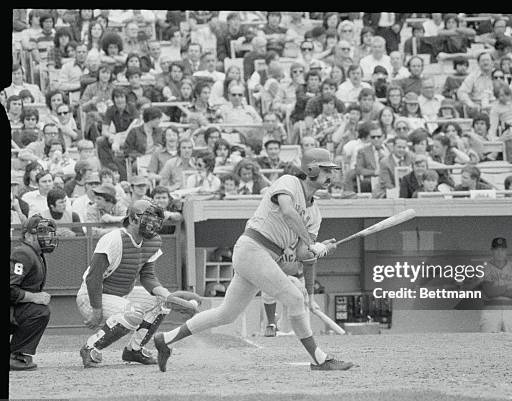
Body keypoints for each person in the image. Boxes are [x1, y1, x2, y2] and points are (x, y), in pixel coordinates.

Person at [153, 148, 353, 371]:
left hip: (265, 256)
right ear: (311, 169)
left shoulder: (315, 213)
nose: (330, 175)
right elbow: (287, 212)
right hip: (253, 248)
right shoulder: (289, 182)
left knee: (226, 313)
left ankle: (166, 339)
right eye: (326, 170)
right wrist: (310, 241)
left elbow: (301, 254)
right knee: (296, 298)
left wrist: (320, 250)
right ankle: (319, 359)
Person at [77, 200, 191, 367]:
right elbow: (93, 277)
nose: (152, 225)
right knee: (134, 313)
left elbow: (147, 276)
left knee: (161, 302)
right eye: (148, 219)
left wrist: (169, 296)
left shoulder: (153, 241)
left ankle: (134, 350)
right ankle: (90, 347)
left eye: (155, 221)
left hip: (121, 294)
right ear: (132, 219)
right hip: (91, 295)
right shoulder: (113, 239)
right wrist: (96, 310)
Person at [10, 215, 58, 370]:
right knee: (39, 311)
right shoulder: (23, 253)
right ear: (28, 235)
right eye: (42, 232)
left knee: (39, 310)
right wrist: (34, 297)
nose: (48, 237)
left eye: (49, 233)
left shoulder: (35, 253)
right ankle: (15, 355)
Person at [475, 237, 512, 332]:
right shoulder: (485, 268)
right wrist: (508, 287)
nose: (499, 253)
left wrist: (498, 290)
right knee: (488, 344)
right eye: (496, 249)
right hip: (490, 312)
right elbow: (489, 292)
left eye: (502, 250)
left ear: (506, 251)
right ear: (492, 251)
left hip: (510, 311)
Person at [457, 52, 495, 117]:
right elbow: (461, 92)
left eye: (487, 60)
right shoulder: (472, 76)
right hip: (477, 107)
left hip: (494, 105)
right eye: (483, 61)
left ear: (492, 62)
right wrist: (471, 104)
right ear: (478, 63)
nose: (485, 63)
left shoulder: (498, 75)